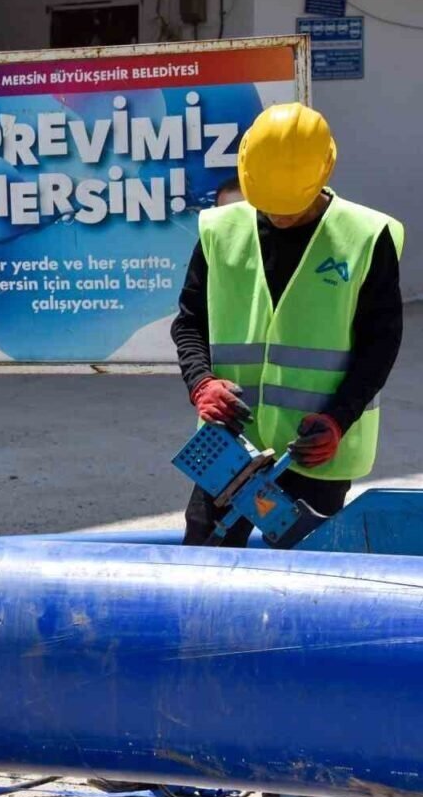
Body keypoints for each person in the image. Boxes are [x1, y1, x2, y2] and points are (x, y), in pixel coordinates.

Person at [171, 102, 404, 546]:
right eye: (270, 205)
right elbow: (190, 322)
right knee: (204, 552)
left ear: (324, 171)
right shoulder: (220, 231)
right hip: (230, 443)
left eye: (292, 207)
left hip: (314, 449)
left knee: (305, 565)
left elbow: (380, 343)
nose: (280, 216)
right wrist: (202, 382)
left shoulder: (366, 237)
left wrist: (339, 419)